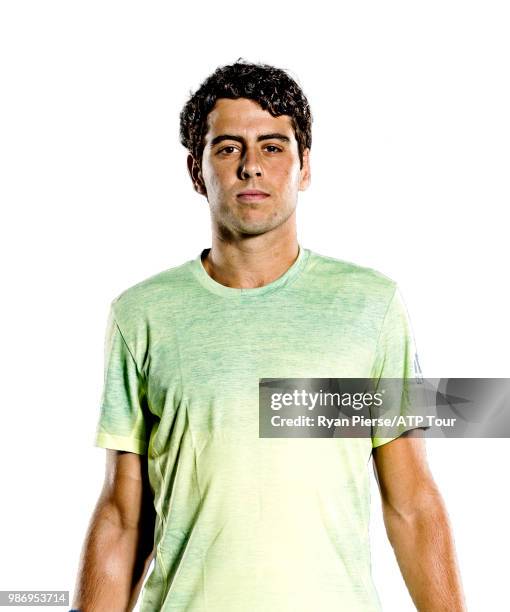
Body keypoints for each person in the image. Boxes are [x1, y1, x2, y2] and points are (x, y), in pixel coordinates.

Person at [72, 60, 467, 611]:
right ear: (196, 169)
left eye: (273, 147)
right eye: (229, 148)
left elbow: (412, 503)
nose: (251, 167)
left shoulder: (371, 306)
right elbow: (122, 516)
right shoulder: (142, 314)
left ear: (304, 166)